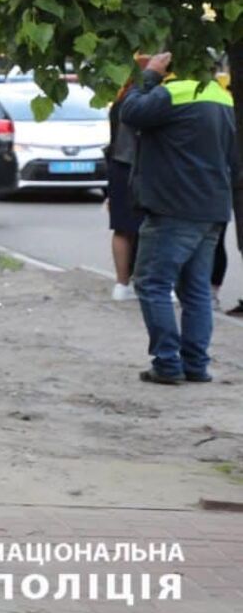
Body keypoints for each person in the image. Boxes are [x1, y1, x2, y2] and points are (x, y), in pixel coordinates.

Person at [121, 51, 237, 385]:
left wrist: (150, 75)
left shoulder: (173, 92)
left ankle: (167, 362)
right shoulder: (220, 95)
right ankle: (196, 365)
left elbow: (130, 113)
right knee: (196, 290)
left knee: (151, 283)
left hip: (174, 208)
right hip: (211, 207)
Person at [107, 56, 148, 301]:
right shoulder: (143, 100)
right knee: (148, 228)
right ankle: (145, 282)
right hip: (140, 167)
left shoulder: (120, 99)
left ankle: (122, 284)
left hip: (118, 167)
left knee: (122, 228)